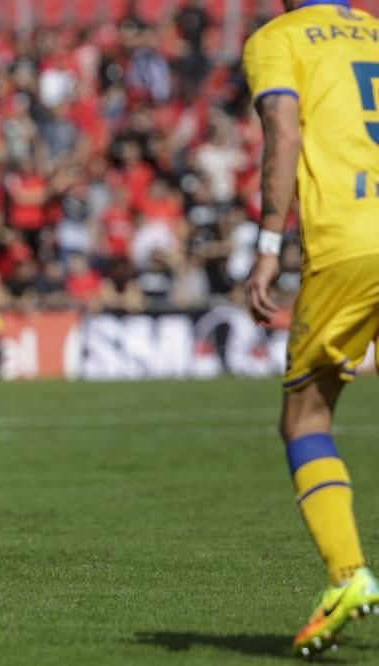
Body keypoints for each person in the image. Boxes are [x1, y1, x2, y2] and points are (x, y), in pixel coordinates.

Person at [242, 0, 379, 656]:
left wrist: (268, 243)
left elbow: (285, 133)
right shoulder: (375, 34)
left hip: (352, 239)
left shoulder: (280, 37)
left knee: (305, 418)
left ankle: (347, 576)